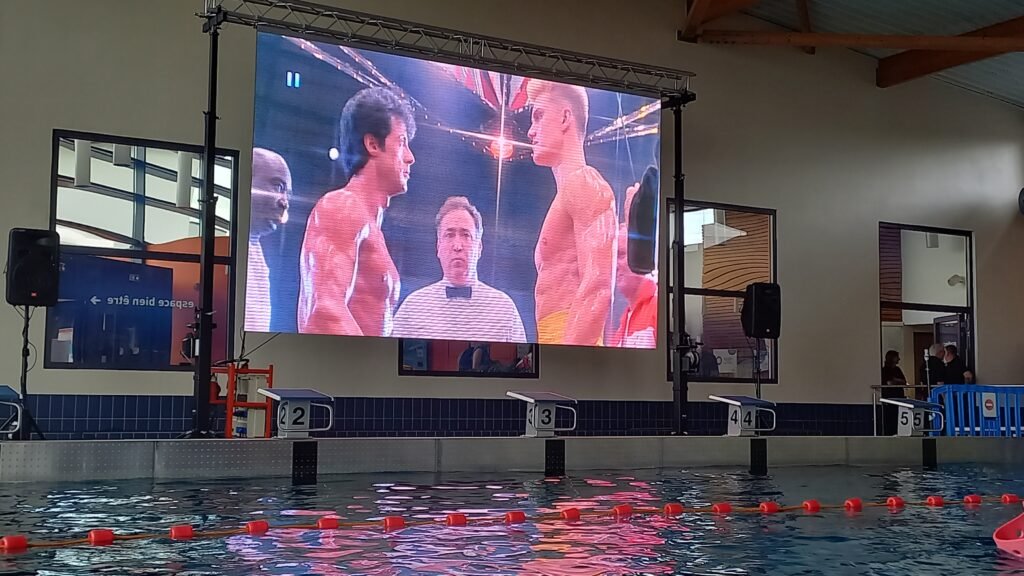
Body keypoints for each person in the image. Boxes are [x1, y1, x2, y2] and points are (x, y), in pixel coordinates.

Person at [297, 87, 416, 337]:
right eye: (402, 143)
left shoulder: (370, 225)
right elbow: (323, 313)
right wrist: (374, 373)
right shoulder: (342, 206)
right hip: (344, 373)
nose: (410, 157)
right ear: (373, 144)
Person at [526, 79, 617, 346]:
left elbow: (598, 288)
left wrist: (569, 362)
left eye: (538, 116)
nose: (530, 132)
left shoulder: (585, 183)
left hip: (572, 343)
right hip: (556, 341)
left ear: (565, 117)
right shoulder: (566, 194)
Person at [392, 196, 527, 342]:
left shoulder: (504, 309)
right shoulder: (412, 307)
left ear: (479, 247)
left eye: (466, 235)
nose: (457, 246)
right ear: (438, 247)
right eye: (449, 235)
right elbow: (391, 362)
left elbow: (522, 364)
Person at [245, 147, 291, 332]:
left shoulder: (256, 252)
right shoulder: (220, 243)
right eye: (278, 186)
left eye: (288, 194)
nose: (285, 202)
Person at [610, 183, 657, 348]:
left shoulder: (658, 307)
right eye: (613, 257)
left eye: (621, 255)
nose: (615, 265)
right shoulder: (623, 321)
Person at [880, 350, 907, 435]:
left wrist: (895, 380)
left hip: (899, 399)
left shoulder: (897, 369)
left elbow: (904, 382)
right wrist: (896, 381)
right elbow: (889, 383)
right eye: (897, 357)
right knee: (890, 420)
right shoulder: (884, 370)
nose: (899, 359)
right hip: (889, 400)